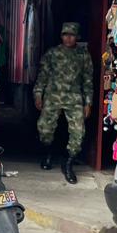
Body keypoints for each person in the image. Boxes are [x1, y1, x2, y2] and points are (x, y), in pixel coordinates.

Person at [35, 21, 93, 186]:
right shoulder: (52, 53)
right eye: (65, 34)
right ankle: (48, 153)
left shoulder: (83, 55)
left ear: (77, 37)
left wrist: (88, 102)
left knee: (78, 132)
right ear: (61, 36)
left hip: (74, 97)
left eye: (72, 35)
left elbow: (88, 81)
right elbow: (43, 75)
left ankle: (68, 163)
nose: (68, 38)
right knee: (45, 129)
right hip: (52, 96)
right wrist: (38, 94)